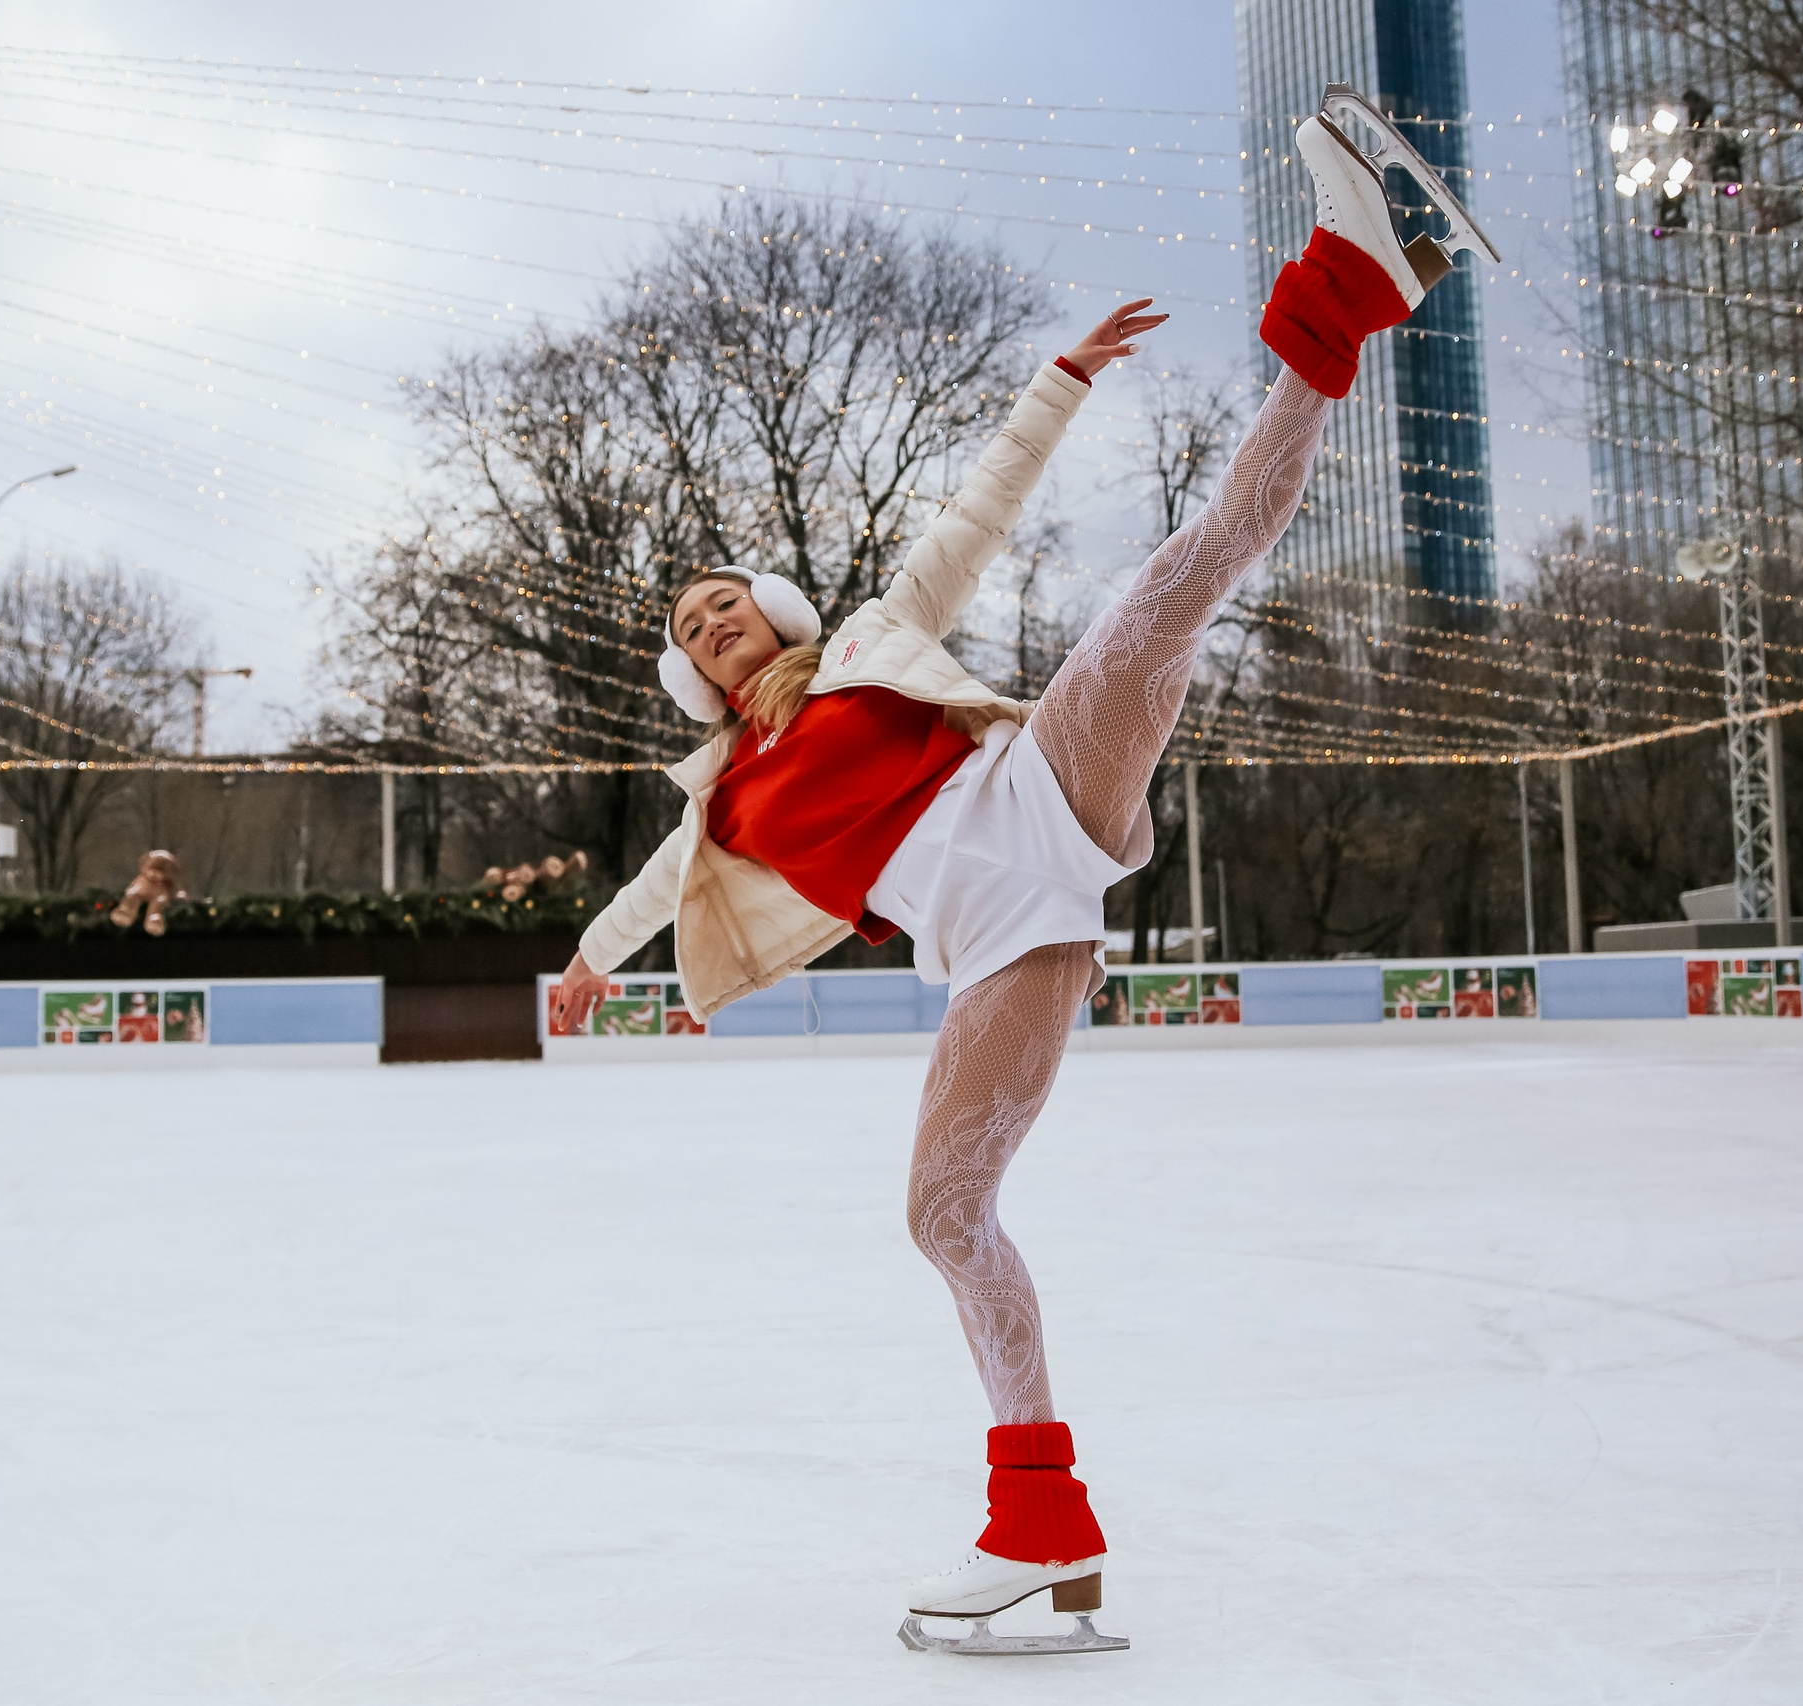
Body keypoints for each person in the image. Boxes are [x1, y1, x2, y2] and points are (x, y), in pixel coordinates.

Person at [555, 91, 1485, 1653]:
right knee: (942, 1213)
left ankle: (1349, 283)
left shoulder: (865, 646)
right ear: (693, 679)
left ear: (778, 615)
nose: (716, 620)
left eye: (732, 600)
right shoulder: (720, 800)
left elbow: (975, 513)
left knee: (1172, 586)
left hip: (1036, 787)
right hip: (1001, 936)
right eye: (694, 624)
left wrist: (1056, 382)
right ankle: (1042, 1523)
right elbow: (653, 894)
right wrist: (591, 960)